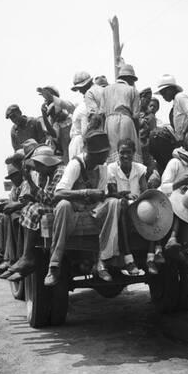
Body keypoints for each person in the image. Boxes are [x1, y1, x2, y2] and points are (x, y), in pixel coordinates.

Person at [44, 130, 121, 286]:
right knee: (63, 205)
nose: (106, 156)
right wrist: (86, 192)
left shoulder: (103, 169)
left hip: (91, 212)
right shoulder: (76, 164)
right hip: (73, 213)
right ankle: (54, 265)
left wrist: (109, 195)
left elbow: (100, 197)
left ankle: (102, 261)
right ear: (94, 154)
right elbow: (58, 193)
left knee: (114, 203)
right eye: (104, 153)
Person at [2, 146, 65, 281]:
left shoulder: (59, 172)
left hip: (63, 209)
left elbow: (50, 199)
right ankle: (25, 256)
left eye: (37, 165)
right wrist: (32, 197)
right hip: (55, 206)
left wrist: (31, 182)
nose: (35, 168)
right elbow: (46, 196)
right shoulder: (50, 173)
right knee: (28, 208)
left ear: (45, 163)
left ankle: (27, 257)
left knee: (33, 210)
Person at [107, 138, 164, 275]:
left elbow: (145, 191)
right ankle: (128, 259)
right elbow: (112, 193)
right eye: (122, 152)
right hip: (121, 207)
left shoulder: (139, 169)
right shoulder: (111, 169)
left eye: (128, 152)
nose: (125, 156)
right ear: (117, 153)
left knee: (152, 206)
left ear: (133, 153)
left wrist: (141, 199)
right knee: (122, 206)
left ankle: (151, 257)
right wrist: (125, 195)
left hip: (138, 207)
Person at [99, 64, 142, 163]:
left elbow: (101, 114)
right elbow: (135, 116)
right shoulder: (132, 90)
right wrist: (136, 134)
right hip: (126, 120)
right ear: (130, 78)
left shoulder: (106, 90)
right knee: (129, 151)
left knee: (113, 153)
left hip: (109, 122)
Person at [154, 74, 188, 144]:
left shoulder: (180, 97)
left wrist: (184, 133)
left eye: (164, 92)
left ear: (171, 89)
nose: (163, 96)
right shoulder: (175, 104)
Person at [37, 85, 75, 163]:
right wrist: (44, 116)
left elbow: (69, 108)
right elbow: (54, 133)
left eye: (47, 96)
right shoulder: (52, 120)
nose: (46, 100)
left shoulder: (66, 105)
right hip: (66, 153)